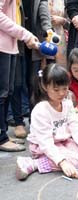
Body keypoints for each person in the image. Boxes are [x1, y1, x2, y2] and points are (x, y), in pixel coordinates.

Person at [16, 64, 78, 180]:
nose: (61, 93)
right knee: (76, 161)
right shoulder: (40, 110)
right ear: (45, 86)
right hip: (43, 146)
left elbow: (75, 127)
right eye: (56, 90)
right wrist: (62, 162)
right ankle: (33, 163)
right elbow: (46, 143)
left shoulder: (67, 103)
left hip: (63, 141)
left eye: (65, 88)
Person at [0, 0, 39, 152]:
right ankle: (1, 138)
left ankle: (3, 135)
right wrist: (25, 34)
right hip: (2, 46)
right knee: (2, 94)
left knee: (7, 92)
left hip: (10, 46)